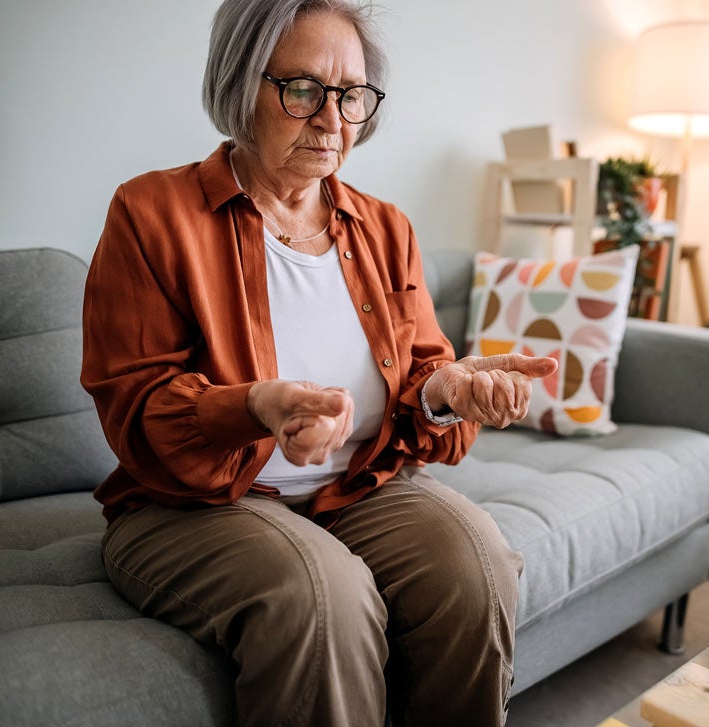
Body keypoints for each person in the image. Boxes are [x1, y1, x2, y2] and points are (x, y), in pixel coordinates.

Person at [80, 1, 557, 725]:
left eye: (352, 95)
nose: (333, 119)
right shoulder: (150, 212)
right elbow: (137, 409)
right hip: (192, 505)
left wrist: (449, 390)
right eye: (302, 89)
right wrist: (254, 407)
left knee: (476, 559)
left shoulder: (384, 226)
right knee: (323, 594)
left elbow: (422, 376)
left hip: (354, 487)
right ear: (243, 84)